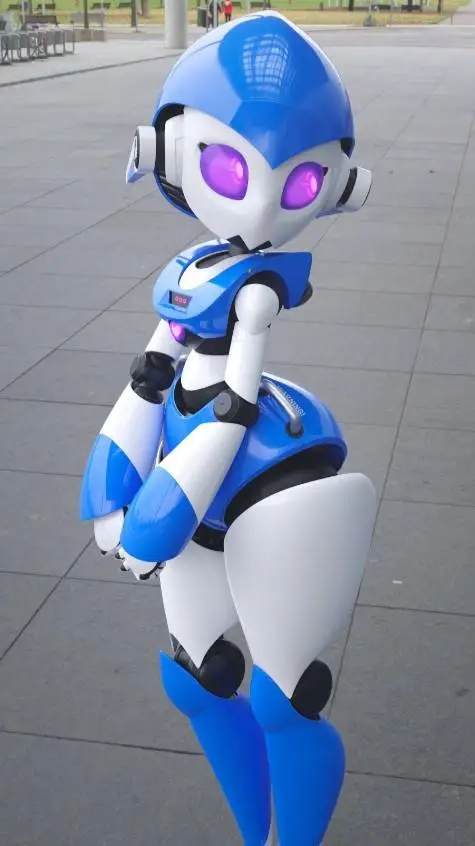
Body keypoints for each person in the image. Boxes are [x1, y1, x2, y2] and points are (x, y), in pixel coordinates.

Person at [82, 12, 377, 846]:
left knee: (285, 695)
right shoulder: (193, 269)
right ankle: (256, 833)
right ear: (169, 150)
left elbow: (232, 406)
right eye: (227, 167)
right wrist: (111, 489)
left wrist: (152, 521)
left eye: (298, 185)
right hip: (199, 474)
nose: (259, 203)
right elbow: (150, 376)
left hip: (269, 486)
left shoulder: (254, 293)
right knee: (195, 676)